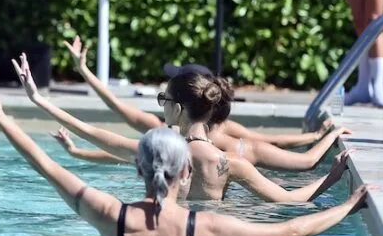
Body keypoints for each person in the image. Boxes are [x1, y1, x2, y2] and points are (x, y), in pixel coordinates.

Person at [0, 64, 376, 236]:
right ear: (184, 173)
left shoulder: (114, 215)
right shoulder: (219, 196)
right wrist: (343, 195)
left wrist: (7, 112)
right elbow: (290, 225)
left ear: (139, 168)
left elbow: (48, 162)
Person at [13, 53, 352, 203]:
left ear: (176, 108)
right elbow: (290, 199)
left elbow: (97, 134)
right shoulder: (229, 163)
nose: (160, 105)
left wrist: (40, 101)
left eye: (163, 99)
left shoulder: (162, 152)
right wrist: (333, 177)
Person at [62, 36, 346, 171]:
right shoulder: (231, 141)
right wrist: (318, 137)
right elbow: (281, 147)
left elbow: (123, 138)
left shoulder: (175, 136)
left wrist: (78, 153)